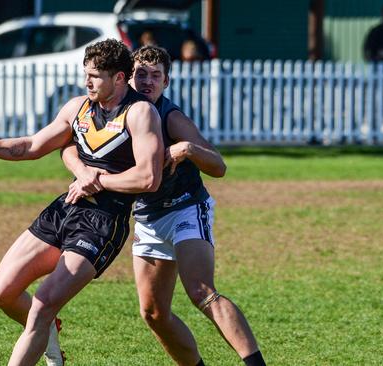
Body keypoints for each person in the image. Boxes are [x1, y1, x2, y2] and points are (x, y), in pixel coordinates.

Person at [0, 39, 164, 366]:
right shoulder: (78, 108)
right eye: (86, 74)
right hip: (66, 208)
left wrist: (95, 180)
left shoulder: (140, 113)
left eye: (95, 76)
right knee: (2, 292)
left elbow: (148, 178)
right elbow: (30, 146)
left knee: (41, 304)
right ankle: (47, 333)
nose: (87, 82)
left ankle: (42, 326)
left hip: (103, 222)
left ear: (119, 78)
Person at [61, 45, 266, 366]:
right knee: (153, 313)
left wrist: (187, 149)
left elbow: (218, 166)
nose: (147, 82)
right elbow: (69, 144)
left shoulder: (170, 117)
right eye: (141, 74)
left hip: (185, 208)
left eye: (156, 76)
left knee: (200, 291)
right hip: (147, 216)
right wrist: (83, 171)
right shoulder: (119, 111)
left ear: (167, 82)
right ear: (126, 77)